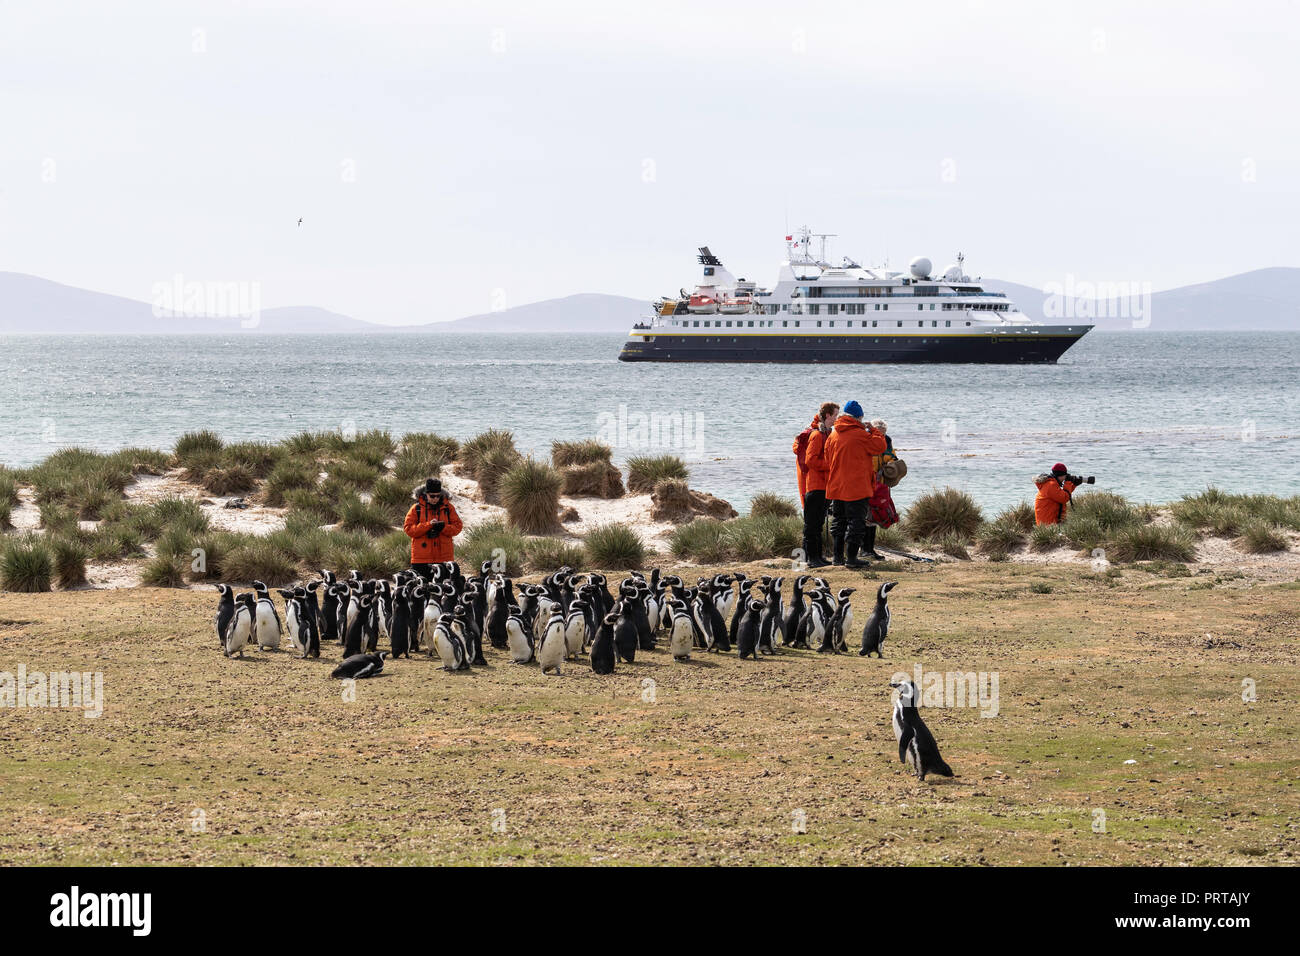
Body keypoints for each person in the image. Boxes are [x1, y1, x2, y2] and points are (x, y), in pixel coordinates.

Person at [824, 400, 888, 568]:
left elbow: (827, 458)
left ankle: (837, 558)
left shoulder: (833, 434)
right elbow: (880, 446)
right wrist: (873, 429)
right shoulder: (861, 434)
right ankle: (851, 558)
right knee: (857, 523)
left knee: (839, 522)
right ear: (859, 417)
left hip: (837, 487)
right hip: (857, 487)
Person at [793, 402, 839, 568]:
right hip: (815, 486)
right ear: (827, 415)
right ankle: (811, 559)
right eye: (835, 415)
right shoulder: (817, 435)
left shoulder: (827, 434)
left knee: (818, 523)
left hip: (824, 486)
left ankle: (817, 557)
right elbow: (810, 460)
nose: (836, 418)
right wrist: (831, 465)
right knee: (812, 525)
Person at [404, 477, 463, 575]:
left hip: (444, 559)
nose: (435, 498)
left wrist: (443, 527)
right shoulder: (416, 508)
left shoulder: (448, 508)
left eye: (438, 496)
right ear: (426, 494)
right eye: (432, 496)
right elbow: (408, 529)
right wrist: (428, 525)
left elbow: (458, 527)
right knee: (421, 588)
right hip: (421, 560)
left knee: (444, 588)